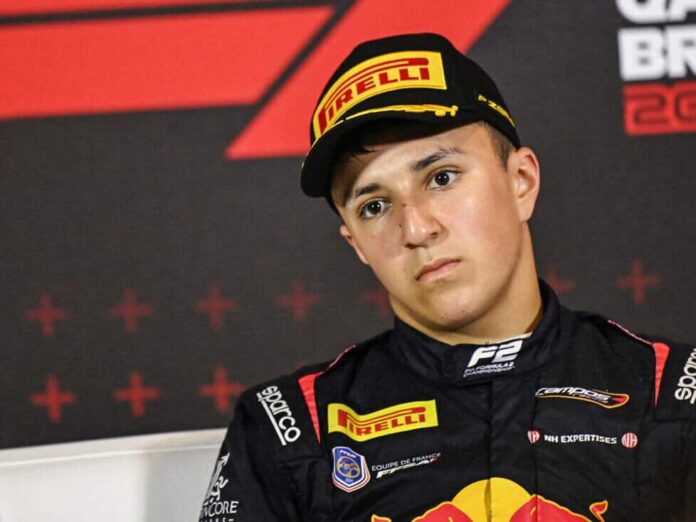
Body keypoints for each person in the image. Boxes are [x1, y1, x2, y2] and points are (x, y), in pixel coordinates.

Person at [199, 33, 696, 521]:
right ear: (356, 244)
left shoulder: (673, 393)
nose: (417, 229)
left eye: (441, 178)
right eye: (375, 206)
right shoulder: (290, 428)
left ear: (521, 182)